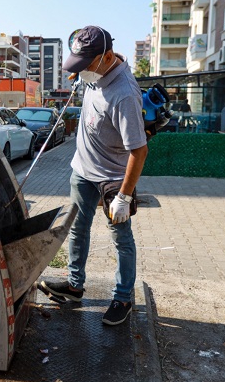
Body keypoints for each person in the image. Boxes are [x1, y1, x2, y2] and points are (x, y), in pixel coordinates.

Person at [41, 26, 148, 326]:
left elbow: (139, 152)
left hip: (113, 178)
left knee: (121, 238)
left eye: (84, 66)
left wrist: (124, 198)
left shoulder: (124, 94)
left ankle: (123, 298)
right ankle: (75, 286)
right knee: (77, 229)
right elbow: (87, 78)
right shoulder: (95, 72)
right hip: (82, 170)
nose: (80, 72)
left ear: (107, 57)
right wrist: (81, 73)